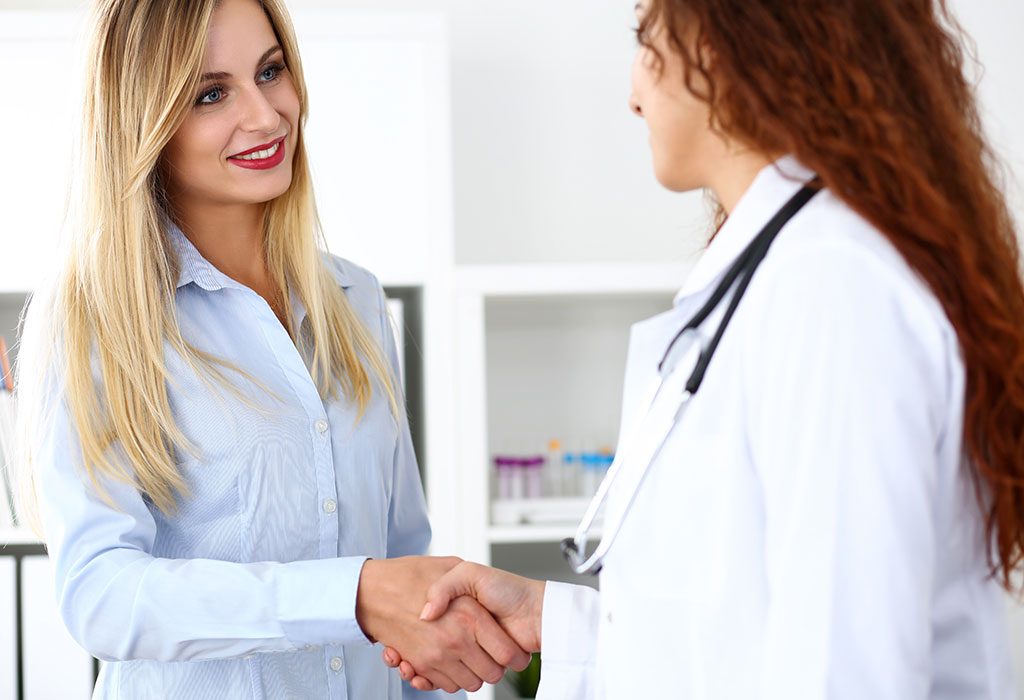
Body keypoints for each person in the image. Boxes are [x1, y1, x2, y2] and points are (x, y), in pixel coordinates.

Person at [384, 0, 1024, 697]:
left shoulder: (831, 286)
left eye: (646, 40)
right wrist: (551, 620)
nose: (633, 93)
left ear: (726, 41)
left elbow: (849, 673)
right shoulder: (781, 273)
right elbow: (739, 634)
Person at [13, 0, 528, 697]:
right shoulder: (95, 319)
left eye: (271, 71)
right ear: (145, 121)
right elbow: (100, 593)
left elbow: (405, 556)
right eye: (211, 93)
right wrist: (351, 595)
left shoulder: (358, 302)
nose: (265, 115)